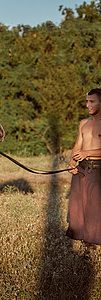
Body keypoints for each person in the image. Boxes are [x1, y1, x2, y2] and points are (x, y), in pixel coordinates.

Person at [66, 88, 101, 254]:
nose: (88, 105)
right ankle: (87, 241)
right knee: (79, 207)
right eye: (87, 101)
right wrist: (73, 163)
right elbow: (78, 146)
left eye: (92, 101)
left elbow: (86, 150)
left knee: (94, 207)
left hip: (98, 170)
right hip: (81, 170)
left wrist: (88, 153)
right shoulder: (83, 124)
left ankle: (94, 241)